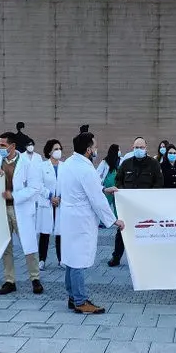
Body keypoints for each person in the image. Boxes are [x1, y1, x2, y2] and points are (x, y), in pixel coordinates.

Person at [59, 131, 124, 314]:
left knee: (72, 258)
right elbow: (97, 200)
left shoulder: (70, 163)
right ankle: (80, 301)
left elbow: (84, 188)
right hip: (81, 219)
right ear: (88, 150)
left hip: (69, 217)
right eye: (94, 146)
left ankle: (73, 297)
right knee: (79, 259)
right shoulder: (86, 169)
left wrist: (103, 188)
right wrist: (113, 220)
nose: (96, 149)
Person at [0, 131, 45, 295]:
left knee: (28, 244)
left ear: (12, 146)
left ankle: (35, 278)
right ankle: (10, 280)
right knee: (6, 247)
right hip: (1, 209)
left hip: (19, 208)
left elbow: (35, 188)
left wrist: (14, 195)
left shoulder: (27, 163)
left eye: (2, 145)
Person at [110, 137, 164, 267]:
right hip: (128, 206)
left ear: (146, 148)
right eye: (136, 147)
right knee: (122, 231)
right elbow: (118, 180)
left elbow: (159, 183)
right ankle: (116, 257)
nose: (138, 150)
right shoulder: (126, 163)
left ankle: (147, 258)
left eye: (141, 147)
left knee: (147, 232)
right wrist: (124, 194)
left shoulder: (154, 164)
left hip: (146, 206)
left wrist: (148, 198)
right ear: (132, 148)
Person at [37, 139, 64, 270]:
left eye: (60, 149)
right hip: (47, 203)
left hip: (60, 203)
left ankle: (62, 259)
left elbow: (68, 184)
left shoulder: (65, 166)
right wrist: (50, 196)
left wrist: (60, 197)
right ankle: (41, 260)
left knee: (61, 232)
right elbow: (39, 185)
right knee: (45, 232)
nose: (58, 151)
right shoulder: (42, 166)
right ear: (49, 152)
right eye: (55, 149)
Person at [100, 144, 121, 222]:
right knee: (106, 205)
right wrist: (101, 184)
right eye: (118, 150)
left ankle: (118, 220)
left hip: (117, 187)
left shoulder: (121, 160)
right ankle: (103, 221)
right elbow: (98, 172)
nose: (119, 152)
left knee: (117, 206)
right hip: (108, 187)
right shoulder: (105, 161)